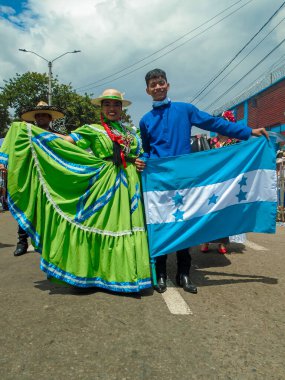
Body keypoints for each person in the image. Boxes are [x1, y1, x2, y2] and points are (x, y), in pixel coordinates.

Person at [0, 89, 151, 293]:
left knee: (126, 227)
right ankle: (87, 275)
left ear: (121, 108)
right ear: (101, 108)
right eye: (107, 104)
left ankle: (124, 275)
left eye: (116, 104)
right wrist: (30, 132)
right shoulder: (92, 130)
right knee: (94, 223)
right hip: (104, 184)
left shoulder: (132, 133)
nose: (112, 108)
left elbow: (140, 154)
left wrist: (141, 161)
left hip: (130, 184)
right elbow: (66, 142)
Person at [139, 68, 268, 294]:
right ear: (147, 90)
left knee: (184, 224)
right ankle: (160, 273)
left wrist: (248, 132)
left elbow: (214, 123)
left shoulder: (185, 110)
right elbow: (148, 150)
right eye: (153, 85)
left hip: (186, 180)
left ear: (168, 85)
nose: (158, 87)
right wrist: (143, 160)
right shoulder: (145, 120)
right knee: (160, 225)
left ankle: (184, 274)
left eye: (161, 83)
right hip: (159, 183)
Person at [0, 101, 65, 256]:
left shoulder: (57, 136)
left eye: (44, 115)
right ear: (35, 118)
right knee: (26, 207)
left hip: (50, 179)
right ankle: (22, 242)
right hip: (29, 177)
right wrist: (4, 162)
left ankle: (51, 244)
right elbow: (12, 146)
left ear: (50, 118)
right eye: (38, 115)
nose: (41, 117)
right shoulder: (24, 133)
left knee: (51, 212)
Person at [200, 110, 239, 254]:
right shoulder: (209, 142)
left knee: (223, 213)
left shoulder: (235, 143)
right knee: (207, 211)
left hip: (227, 182)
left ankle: (222, 242)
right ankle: (205, 241)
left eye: (225, 124)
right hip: (211, 182)